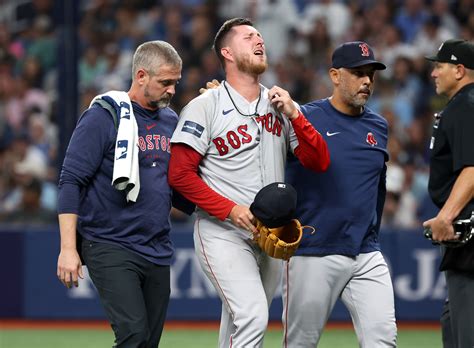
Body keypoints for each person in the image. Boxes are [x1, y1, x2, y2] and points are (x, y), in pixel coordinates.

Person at [168, 18, 330, 348]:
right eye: (248, 36)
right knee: (253, 314)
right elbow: (179, 175)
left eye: (260, 35)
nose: (259, 40)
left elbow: (318, 161)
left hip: (271, 232)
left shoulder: (280, 104)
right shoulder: (204, 106)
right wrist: (229, 210)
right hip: (221, 230)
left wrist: (296, 116)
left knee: (238, 322)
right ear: (226, 52)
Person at [56, 40, 182, 347]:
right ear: (141, 76)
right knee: (133, 335)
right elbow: (71, 180)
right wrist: (68, 248)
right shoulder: (103, 116)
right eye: (165, 82)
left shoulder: (171, 120)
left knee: (146, 342)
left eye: (175, 83)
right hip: (110, 243)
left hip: (157, 245)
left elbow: (178, 184)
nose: (172, 91)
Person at [283, 41, 397, 347]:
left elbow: (377, 185)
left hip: (365, 251)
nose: (367, 81)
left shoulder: (378, 125)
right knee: (300, 344)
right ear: (335, 75)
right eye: (358, 73)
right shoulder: (303, 117)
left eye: (371, 75)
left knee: (383, 340)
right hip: (314, 248)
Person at [422, 39, 474, 348]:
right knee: (452, 322)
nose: (433, 73)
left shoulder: (465, 105)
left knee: (466, 333)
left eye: (439, 66)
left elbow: (472, 168)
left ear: (459, 69)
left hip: (468, 234)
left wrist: (447, 215)